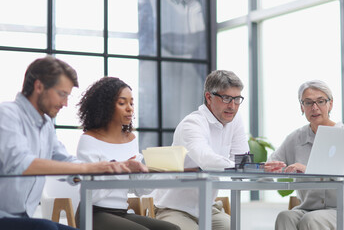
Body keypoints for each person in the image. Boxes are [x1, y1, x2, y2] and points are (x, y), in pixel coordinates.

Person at [0, 56, 147, 230]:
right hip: (4, 216)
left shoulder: (45, 125)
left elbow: (66, 161)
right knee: (49, 228)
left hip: (23, 218)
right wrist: (87, 168)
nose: (65, 103)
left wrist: (111, 166)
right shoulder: (7, 114)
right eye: (62, 94)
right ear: (39, 87)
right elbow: (20, 163)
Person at [75, 77, 180, 230]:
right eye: (122, 103)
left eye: (131, 103)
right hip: (93, 212)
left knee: (172, 229)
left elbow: (137, 189)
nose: (130, 108)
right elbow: (91, 194)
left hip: (120, 212)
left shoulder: (131, 139)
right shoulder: (89, 140)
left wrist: (162, 172)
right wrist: (121, 169)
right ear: (106, 106)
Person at [151, 70, 250, 230]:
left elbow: (242, 158)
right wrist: (242, 165)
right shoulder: (192, 124)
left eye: (237, 99)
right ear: (209, 97)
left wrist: (259, 167)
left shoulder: (234, 119)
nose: (232, 106)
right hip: (174, 209)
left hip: (208, 208)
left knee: (233, 227)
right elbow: (206, 160)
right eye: (226, 98)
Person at [265, 80, 344, 230]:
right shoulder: (295, 138)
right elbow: (272, 163)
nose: (314, 108)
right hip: (309, 209)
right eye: (308, 103)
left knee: (311, 220)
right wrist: (273, 168)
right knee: (285, 217)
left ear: (331, 104)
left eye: (320, 101)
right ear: (302, 107)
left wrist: (309, 169)